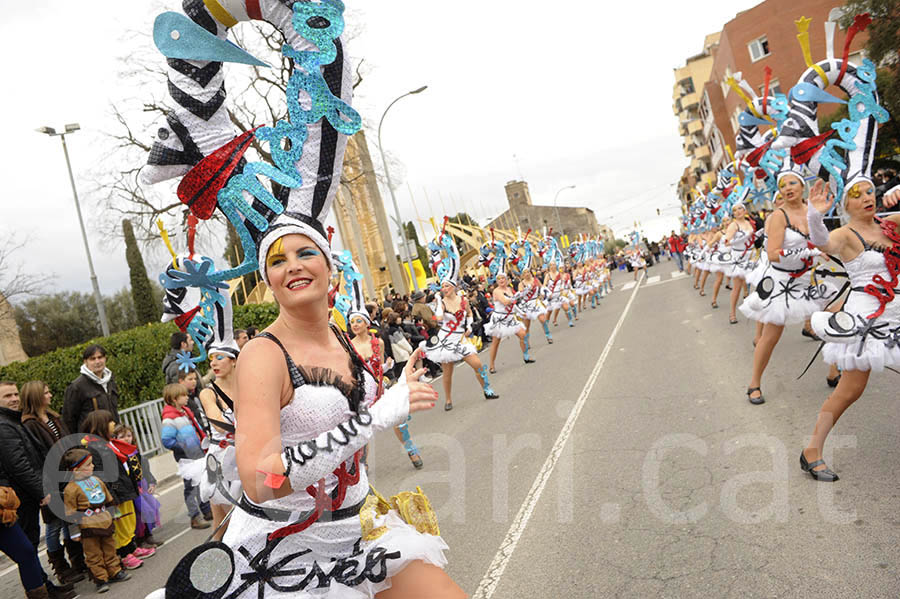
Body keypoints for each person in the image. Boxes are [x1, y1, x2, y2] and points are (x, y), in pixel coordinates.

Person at [800, 175, 900, 479]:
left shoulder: (891, 224)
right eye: (858, 194)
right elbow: (822, 241)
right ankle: (811, 450)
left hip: (896, 314)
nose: (868, 197)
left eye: (871, 191)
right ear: (846, 204)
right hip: (865, 322)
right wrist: (815, 215)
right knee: (850, 390)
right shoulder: (844, 234)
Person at [739, 161, 839, 405]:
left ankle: (834, 371)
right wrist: (810, 254)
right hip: (782, 281)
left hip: (809, 277)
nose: (787, 188)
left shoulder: (811, 209)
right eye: (783, 185)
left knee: (833, 319)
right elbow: (773, 253)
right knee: (771, 336)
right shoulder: (777, 216)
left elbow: (821, 239)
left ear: (802, 186)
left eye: (792, 183)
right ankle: (754, 383)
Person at [0, 381, 77, 599]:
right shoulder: (4, 426)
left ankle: (44, 586)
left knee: (28, 547)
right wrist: (41, 490)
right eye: (7, 396)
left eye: (15, 394)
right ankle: (42, 589)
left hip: (22, 495)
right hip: (17, 497)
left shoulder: (11, 421)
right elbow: (19, 464)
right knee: (27, 547)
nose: (14, 399)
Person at [20, 381, 87, 585]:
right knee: (53, 524)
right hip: (50, 478)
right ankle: (60, 566)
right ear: (36, 397)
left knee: (69, 518)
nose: (50, 395)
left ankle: (76, 559)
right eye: (46, 393)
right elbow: (37, 455)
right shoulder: (30, 424)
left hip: (67, 475)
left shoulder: (53, 417)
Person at [80, 410, 156, 569]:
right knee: (120, 526)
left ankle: (132, 549)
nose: (113, 424)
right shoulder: (95, 448)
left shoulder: (109, 443)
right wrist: (112, 495)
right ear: (101, 425)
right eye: (110, 422)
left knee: (129, 522)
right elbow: (103, 476)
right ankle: (124, 555)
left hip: (125, 489)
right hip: (116, 493)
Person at [63, 448, 131, 593]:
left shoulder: (97, 480)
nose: (92, 466)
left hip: (104, 521)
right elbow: (70, 512)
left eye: (91, 463)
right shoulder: (71, 488)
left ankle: (114, 571)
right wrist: (74, 532)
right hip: (88, 526)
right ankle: (101, 578)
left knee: (109, 548)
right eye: (88, 465)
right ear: (75, 470)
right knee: (93, 554)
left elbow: (108, 499)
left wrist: (114, 513)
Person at [197, 341, 242, 539]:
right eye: (211, 359)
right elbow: (219, 425)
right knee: (227, 521)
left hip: (246, 455)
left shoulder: (247, 387)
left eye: (219, 357)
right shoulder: (208, 392)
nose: (214, 363)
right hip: (222, 460)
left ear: (234, 361)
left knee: (237, 519)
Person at [160, 383, 212, 530]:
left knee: (202, 481)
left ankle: (206, 510)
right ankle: (195, 516)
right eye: (183, 395)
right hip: (186, 457)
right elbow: (167, 440)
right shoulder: (169, 419)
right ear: (175, 399)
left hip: (196, 453)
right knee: (191, 487)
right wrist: (183, 447)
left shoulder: (185, 412)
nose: (187, 397)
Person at [113, 424, 161, 549]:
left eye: (129, 436)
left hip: (142, 485)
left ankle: (148, 535)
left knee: (149, 510)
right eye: (122, 437)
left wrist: (151, 482)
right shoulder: (118, 454)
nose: (126, 439)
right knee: (139, 514)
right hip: (133, 488)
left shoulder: (134, 451)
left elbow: (144, 469)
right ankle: (140, 539)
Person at [63, 345, 120, 434]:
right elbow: (69, 420)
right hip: (91, 440)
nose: (97, 361)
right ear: (85, 362)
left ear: (105, 358)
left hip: (113, 435)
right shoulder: (76, 386)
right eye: (92, 359)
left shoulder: (110, 380)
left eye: (100, 357)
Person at [486, 272, 531, 372]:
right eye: (499, 279)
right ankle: (492, 365)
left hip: (510, 318)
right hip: (499, 319)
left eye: (503, 278)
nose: (501, 280)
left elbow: (513, 304)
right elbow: (506, 302)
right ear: (497, 281)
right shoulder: (496, 291)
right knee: (496, 342)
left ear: (507, 279)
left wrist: (521, 312)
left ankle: (526, 356)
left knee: (523, 334)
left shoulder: (509, 289)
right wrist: (519, 295)